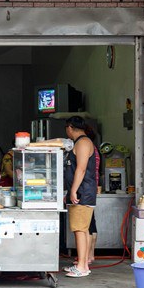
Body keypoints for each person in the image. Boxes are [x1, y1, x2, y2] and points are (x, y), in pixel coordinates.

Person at [63, 116, 99, 278]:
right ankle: (81, 264)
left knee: (80, 229)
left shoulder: (83, 143)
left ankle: (83, 267)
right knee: (82, 229)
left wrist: (73, 191)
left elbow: (81, 169)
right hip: (81, 191)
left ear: (70, 128)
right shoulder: (80, 143)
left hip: (83, 192)